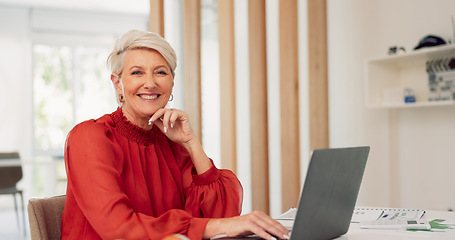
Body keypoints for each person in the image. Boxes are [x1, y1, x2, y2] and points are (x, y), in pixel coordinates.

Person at [61, 29, 290, 240]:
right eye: (137, 72)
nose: (150, 83)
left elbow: (222, 214)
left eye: (160, 72)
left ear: (171, 82)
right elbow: (119, 229)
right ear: (118, 84)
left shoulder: (170, 143)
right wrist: (216, 227)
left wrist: (191, 142)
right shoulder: (90, 137)